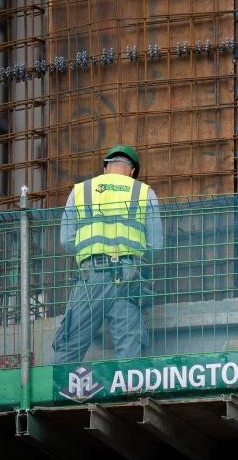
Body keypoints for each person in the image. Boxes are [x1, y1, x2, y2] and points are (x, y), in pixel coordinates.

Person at [53, 144, 162, 364]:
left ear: (105, 168)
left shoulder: (80, 191)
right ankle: (130, 393)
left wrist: (89, 252)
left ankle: (59, 394)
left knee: (70, 345)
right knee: (130, 348)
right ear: (132, 171)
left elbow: (66, 240)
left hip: (90, 279)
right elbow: (155, 245)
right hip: (128, 278)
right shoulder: (144, 192)